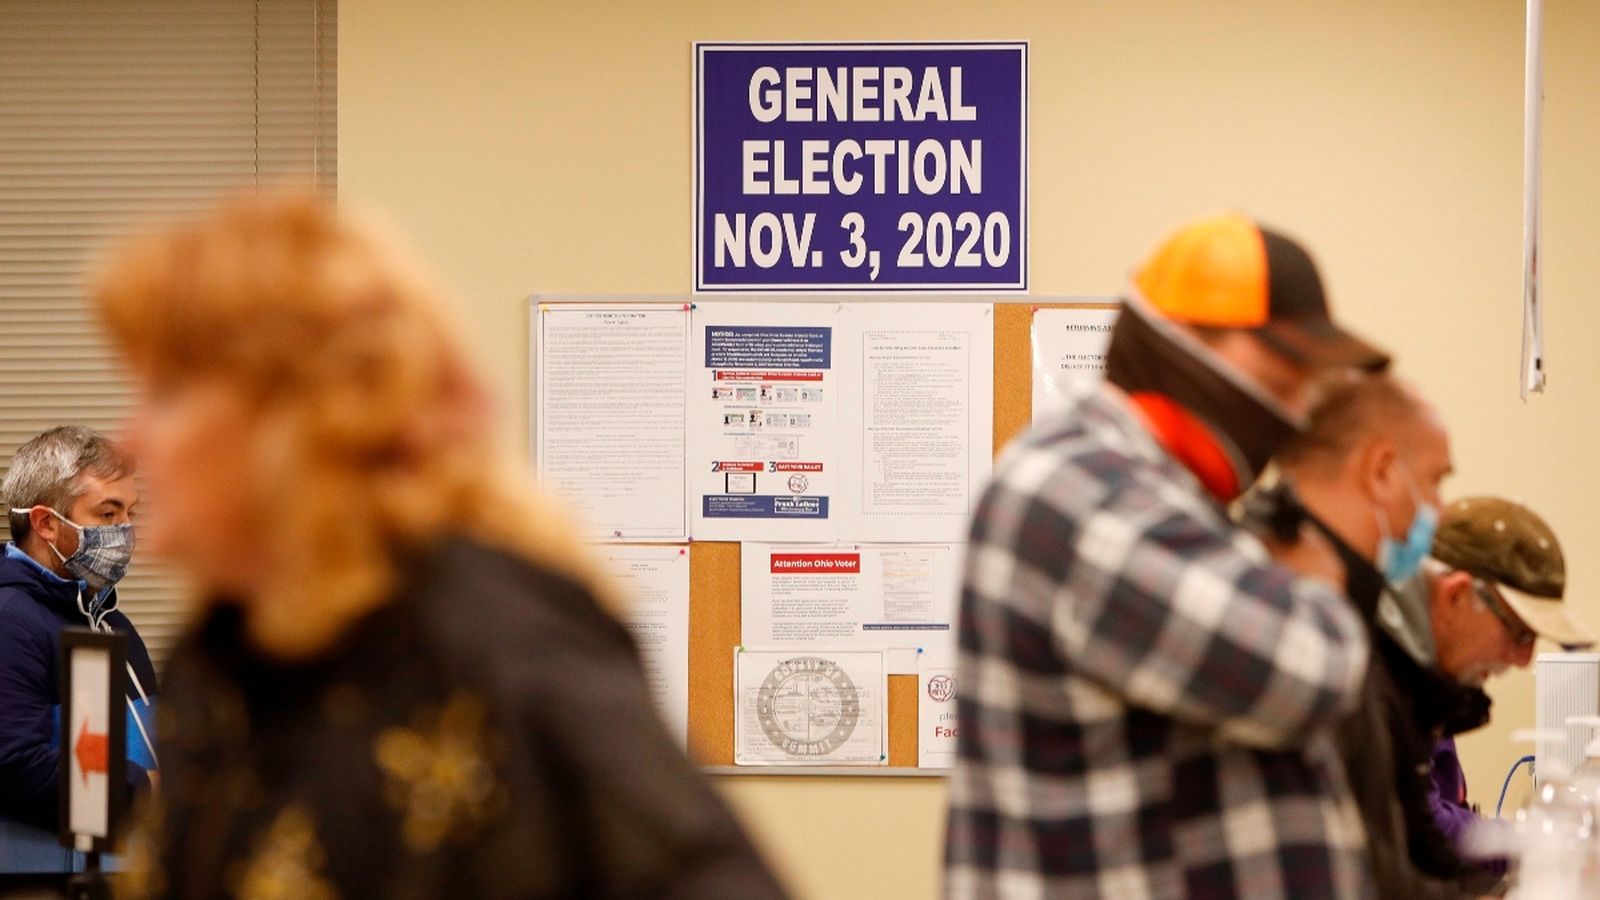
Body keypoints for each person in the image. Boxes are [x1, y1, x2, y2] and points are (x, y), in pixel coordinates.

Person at [92, 191, 786, 899]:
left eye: (168, 392)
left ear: (298, 416)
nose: (129, 439)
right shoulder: (225, 653)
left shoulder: (496, 638)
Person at [945, 212, 1386, 899]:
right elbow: (1310, 669)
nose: (1297, 403)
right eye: (1282, 365)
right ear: (1178, 341)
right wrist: (1318, 581)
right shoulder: (1082, 486)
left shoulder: (1169, 499)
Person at [1273, 373, 1498, 897]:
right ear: (1380, 472)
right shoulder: (1301, 618)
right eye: (1435, 481)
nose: (1440, 512)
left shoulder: (1347, 607)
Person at [1388, 497, 1594, 871]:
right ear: (1457, 595)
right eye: (1519, 633)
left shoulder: (1425, 683)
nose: (1524, 659)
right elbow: (1420, 827)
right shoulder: (1381, 684)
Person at [0, 425, 158, 832]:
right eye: (108, 513)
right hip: (49, 880)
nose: (125, 531)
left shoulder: (107, 620)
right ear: (45, 523)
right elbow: (14, 764)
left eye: (130, 513)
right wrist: (143, 790)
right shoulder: (10, 620)